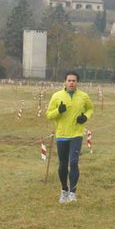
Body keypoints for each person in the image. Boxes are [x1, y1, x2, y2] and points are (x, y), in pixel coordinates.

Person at [46, 71, 94, 203]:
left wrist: (85, 117)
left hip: (77, 134)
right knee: (63, 164)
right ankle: (64, 190)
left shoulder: (83, 96)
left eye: (74, 80)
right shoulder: (56, 96)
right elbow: (49, 115)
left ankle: (73, 193)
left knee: (73, 162)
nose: (71, 83)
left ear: (77, 82)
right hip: (61, 135)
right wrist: (58, 111)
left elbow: (90, 109)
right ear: (65, 82)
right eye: (69, 80)